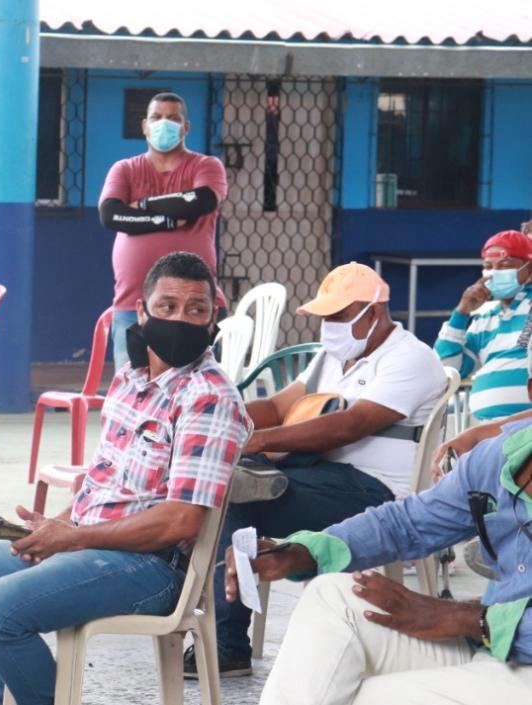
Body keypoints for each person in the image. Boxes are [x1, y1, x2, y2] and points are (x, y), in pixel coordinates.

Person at [0, 252, 251, 705]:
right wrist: (56, 526)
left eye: (197, 310)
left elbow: (181, 522)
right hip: (89, 542)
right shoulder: (130, 381)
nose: (182, 319)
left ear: (214, 323)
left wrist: (71, 539)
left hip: (152, 567)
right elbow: (102, 481)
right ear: (143, 313)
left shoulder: (208, 397)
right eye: (168, 306)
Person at [196, 262, 449, 679]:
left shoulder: (411, 357)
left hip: (373, 492)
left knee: (236, 492)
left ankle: (227, 646)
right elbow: (279, 407)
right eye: (325, 317)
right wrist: (223, 417)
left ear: (373, 312)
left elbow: (351, 426)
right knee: (226, 479)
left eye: (338, 316)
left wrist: (257, 441)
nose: (328, 325)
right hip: (314, 473)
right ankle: (220, 632)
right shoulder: (334, 357)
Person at [226, 418, 532, 705]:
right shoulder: (501, 457)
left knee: (369, 696)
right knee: (332, 596)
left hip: (508, 650)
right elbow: (407, 523)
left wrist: (463, 618)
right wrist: (303, 551)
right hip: (490, 648)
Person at [98, 92, 228, 369]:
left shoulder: (206, 166)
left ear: (186, 127)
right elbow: (111, 215)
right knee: (134, 392)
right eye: (157, 118)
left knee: (198, 387)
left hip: (194, 306)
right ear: (145, 125)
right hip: (133, 305)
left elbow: (201, 201)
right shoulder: (124, 170)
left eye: (173, 118)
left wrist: (141, 205)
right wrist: (165, 219)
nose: (164, 124)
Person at [435, 230, 532, 423]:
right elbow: (449, 371)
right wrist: (461, 314)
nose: (494, 273)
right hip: (488, 430)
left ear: (529, 270)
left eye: (505, 266)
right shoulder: (484, 318)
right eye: (488, 266)